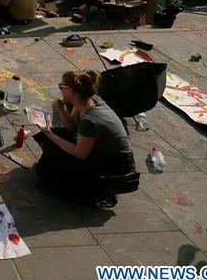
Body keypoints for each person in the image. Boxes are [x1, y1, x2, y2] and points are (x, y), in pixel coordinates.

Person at [34, 70, 136, 207]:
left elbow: (80, 153)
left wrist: (49, 135)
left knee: (56, 144)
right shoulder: (86, 101)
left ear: (70, 90)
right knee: (58, 135)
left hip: (115, 165)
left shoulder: (89, 119)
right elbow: (72, 129)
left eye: (61, 86)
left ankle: (71, 185)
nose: (60, 89)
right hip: (105, 153)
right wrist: (62, 110)